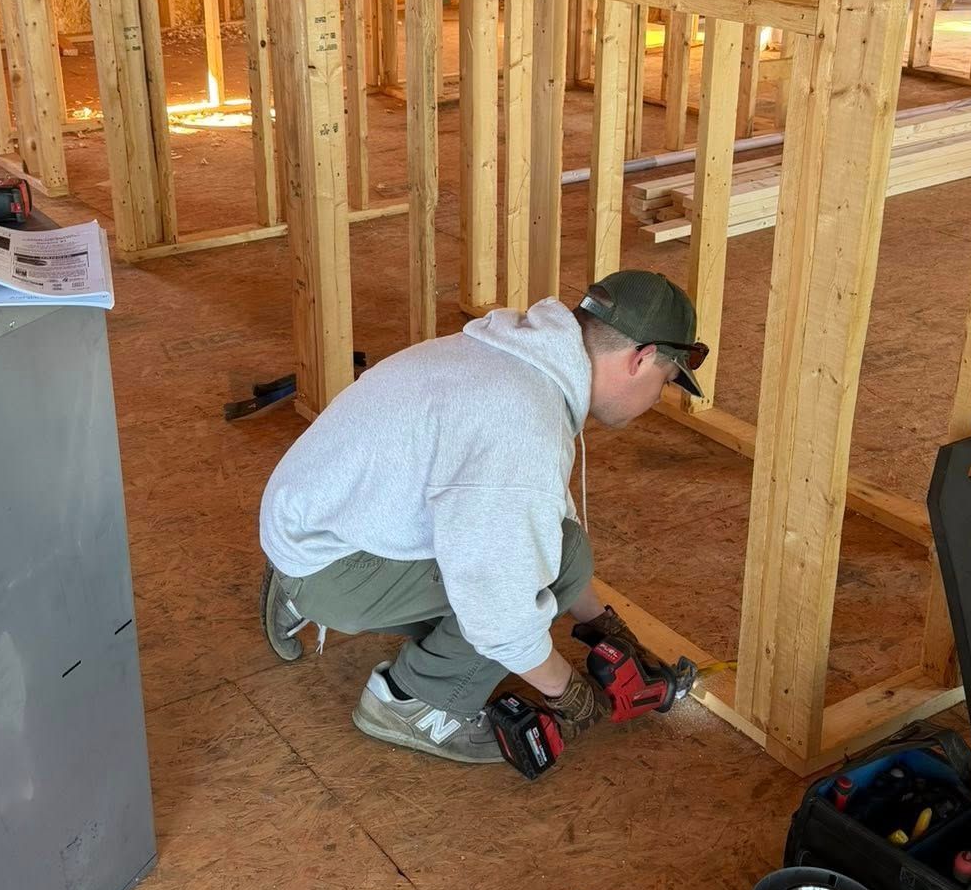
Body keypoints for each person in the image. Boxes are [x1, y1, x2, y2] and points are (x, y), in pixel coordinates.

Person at [257, 269, 706, 765]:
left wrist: (600, 623)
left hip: (316, 519)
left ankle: (298, 584)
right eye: (664, 383)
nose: (657, 400)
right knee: (520, 592)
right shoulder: (520, 420)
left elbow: (548, 521)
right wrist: (565, 690)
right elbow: (498, 609)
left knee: (564, 551)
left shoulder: (520, 358)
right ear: (640, 359)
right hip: (332, 562)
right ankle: (411, 702)